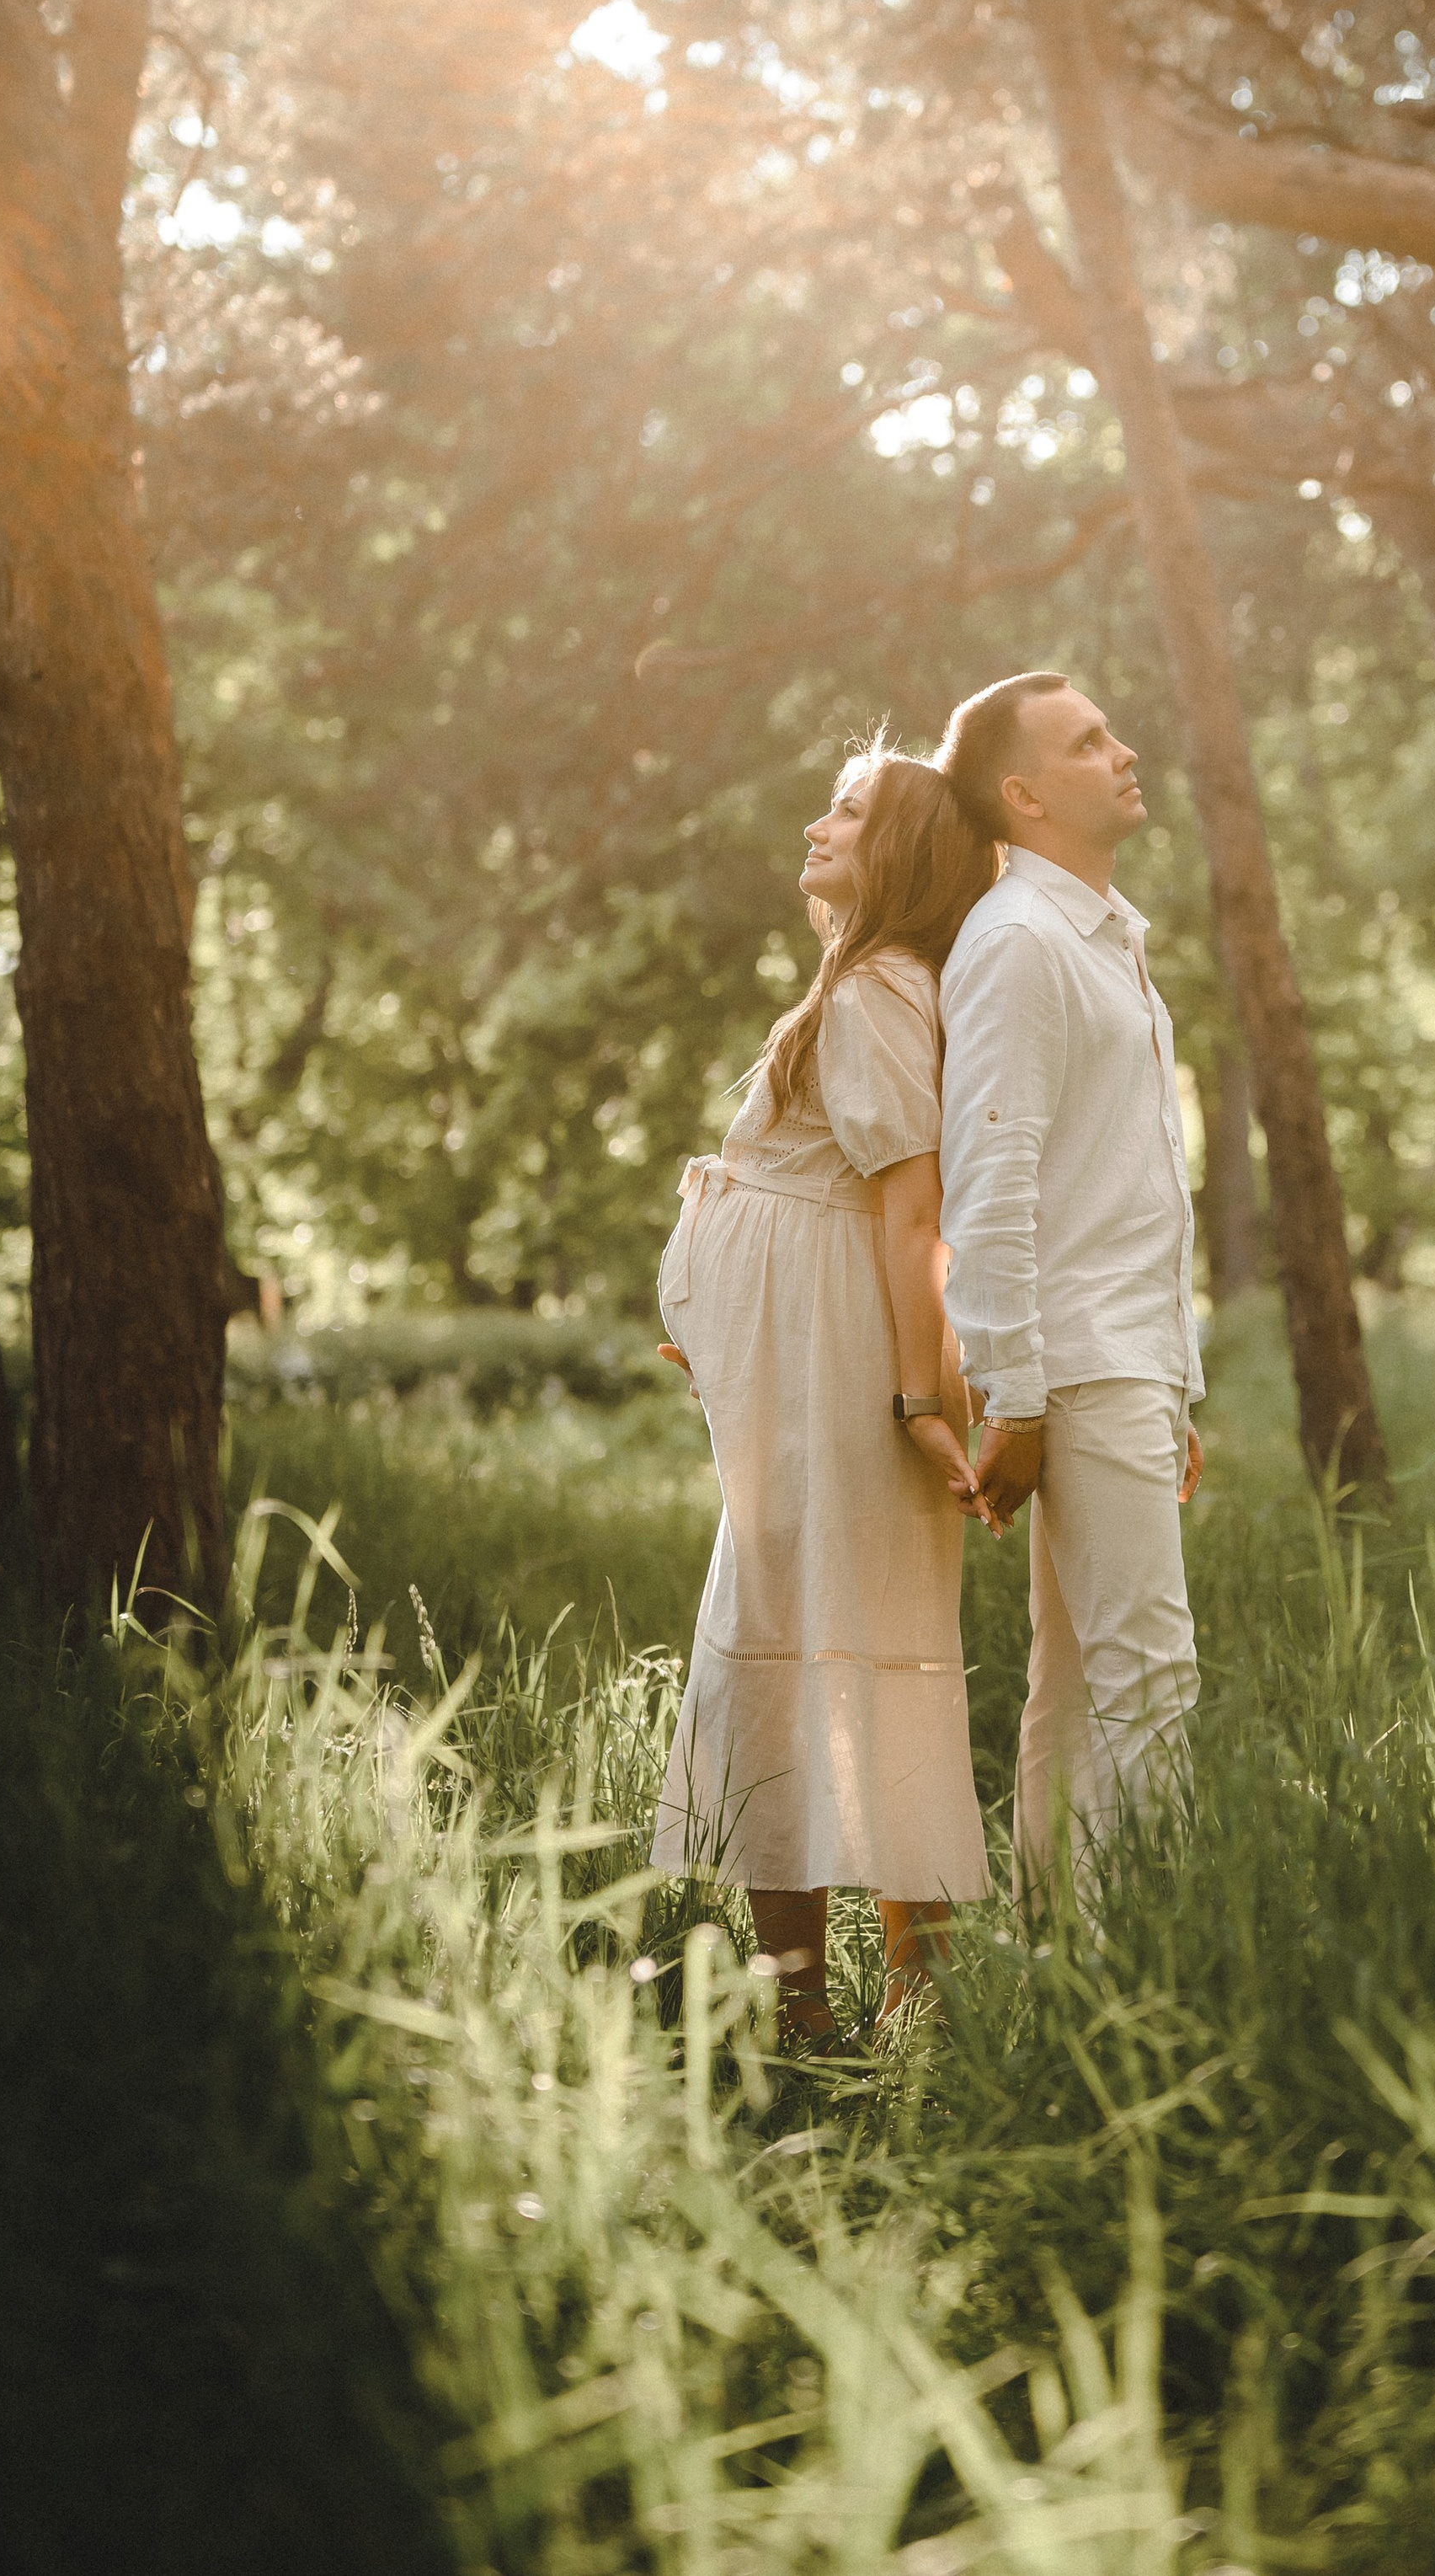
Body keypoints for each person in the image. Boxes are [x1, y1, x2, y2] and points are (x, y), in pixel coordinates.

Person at [650, 748, 997, 2041]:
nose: (815, 821)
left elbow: (915, 1204)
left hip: (841, 1376)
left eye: (847, 809)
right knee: (805, 1637)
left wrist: (921, 1398)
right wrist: (723, 1318)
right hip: (796, 1368)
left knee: (816, 1638)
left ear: (901, 847)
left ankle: (871, 2004)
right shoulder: (862, 986)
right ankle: (835, 2009)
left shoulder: (878, 993)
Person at [935, 672, 1205, 1900]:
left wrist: (1179, 1380)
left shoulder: (1101, 932)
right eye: (1089, 742)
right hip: (1078, 1367)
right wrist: (1017, 1397)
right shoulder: (1021, 942)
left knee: (1085, 1687)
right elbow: (991, 1181)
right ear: (1025, 794)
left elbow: (1124, 1188)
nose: (1125, 749)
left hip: (1122, 1357)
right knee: (1148, 1681)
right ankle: (1150, 1966)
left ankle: (1066, 1968)